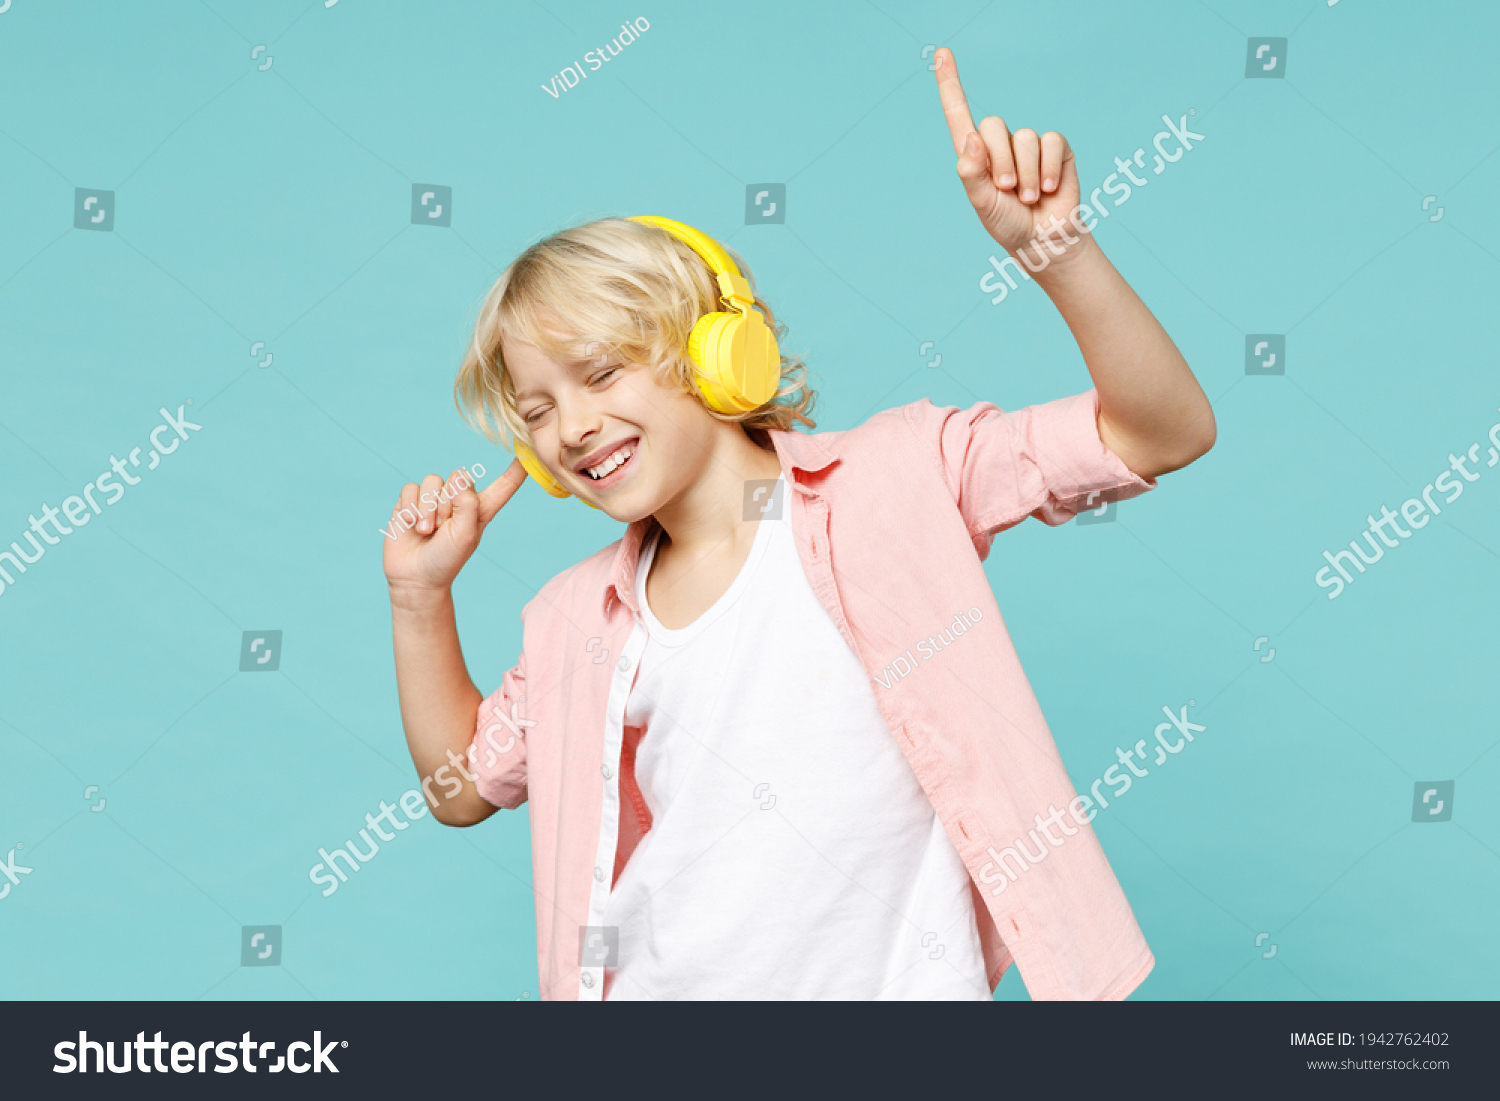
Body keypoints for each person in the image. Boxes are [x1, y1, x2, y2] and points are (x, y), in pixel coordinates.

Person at [383, 47, 1216, 1000]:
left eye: (602, 372)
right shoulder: (579, 614)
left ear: (716, 349)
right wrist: (419, 594)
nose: (570, 426)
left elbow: (1164, 431)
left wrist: (1055, 250)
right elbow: (458, 789)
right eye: (536, 410)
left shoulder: (901, 475)